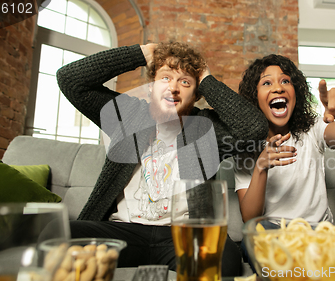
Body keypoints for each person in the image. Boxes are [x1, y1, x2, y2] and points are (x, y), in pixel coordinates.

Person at [56, 42, 268, 276]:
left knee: (224, 258)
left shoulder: (206, 128)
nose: (173, 88)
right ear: (150, 87)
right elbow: (70, 80)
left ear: (196, 94)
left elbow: (255, 128)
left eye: (185, 82)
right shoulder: (128, 115)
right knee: (57, 235)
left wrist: (206, 78)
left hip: (185, 234)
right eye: (165, 78)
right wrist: (140, 53)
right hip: (121, 230)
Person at [234, 53, 335, 225]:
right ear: (254, 98)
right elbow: (250, 218)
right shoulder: (244, 148)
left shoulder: (312, 129)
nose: (278, 88)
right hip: (274, 234)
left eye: (285, 81)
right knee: (254, 240)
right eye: (267, 83)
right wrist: (261, 167)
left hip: (318, 232)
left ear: (296, 92)